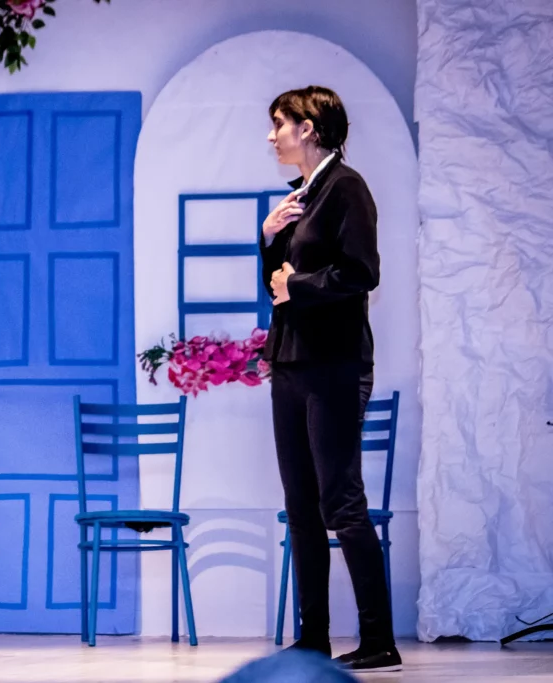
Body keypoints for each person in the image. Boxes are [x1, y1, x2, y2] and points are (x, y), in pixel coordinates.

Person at [260, 85, 401, 673]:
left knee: (341, 501)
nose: (272, 135)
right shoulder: (302, 197)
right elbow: (277, 287)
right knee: (300, 506)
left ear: (310, 128)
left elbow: (361, 272)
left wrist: (297, 284)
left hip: (335, 365)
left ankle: (379, 640)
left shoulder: (347, 188)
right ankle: (313, 637)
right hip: (291, 363)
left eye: (280, 123)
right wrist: (269, 239)